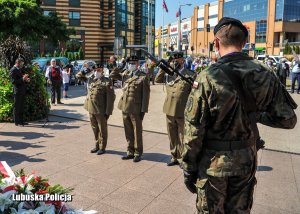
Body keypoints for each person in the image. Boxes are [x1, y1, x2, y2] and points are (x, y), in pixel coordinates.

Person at [181, 17, 297, 213]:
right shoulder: (266, 73)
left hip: (213, 165)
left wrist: (188, 168)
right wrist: (256, 115)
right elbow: (288, 119)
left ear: (216, 42)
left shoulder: (207, 77)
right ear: (244, 43)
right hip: (246, 161)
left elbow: (193, 131)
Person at [155, 51, 196, 166]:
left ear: (183, 60)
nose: (175, 63)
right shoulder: (169, 73)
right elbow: (157, 80)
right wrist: (165, 66)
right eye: (173, 61)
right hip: (169, 110)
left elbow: (195, 94)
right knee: (172, 135)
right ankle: (174, 156)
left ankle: (183, 158)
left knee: (182, 136)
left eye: (177, 61)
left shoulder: (190, 75)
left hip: (182, 111)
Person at [110, 55, 150, 162]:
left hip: (136, 109)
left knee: (137, 131)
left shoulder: (143, 76)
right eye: (130, 63)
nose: (131, 65)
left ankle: (137, 152)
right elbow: (112, 75)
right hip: (125, 107)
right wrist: (121, 65)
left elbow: (146, 96)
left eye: (133, 63)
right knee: (128, 131)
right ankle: (130, 151)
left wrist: (143, 111)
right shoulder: (126, 74)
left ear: (137, 64)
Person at [84, 64, 115, 155]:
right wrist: (87, 70)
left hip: (101, 110)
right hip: (91, 108)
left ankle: (102, 147)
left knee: (102, 129)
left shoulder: (107, 81)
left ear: (102, 71)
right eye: (96, 70)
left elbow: (111, 98)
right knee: (95, 128)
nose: (97, 71)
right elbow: (79, 76)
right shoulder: (91, 79)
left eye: (99, 70)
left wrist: (108, 112)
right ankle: (97, 145)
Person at [9, 58, 30, 126]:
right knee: (17, 107)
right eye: (21, 64)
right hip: (17, 91)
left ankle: (21, 121)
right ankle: (17, 122)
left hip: (22, 91)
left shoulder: (18, 69)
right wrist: (22, 79)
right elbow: (13, 81)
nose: (22, 65)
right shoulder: (13, 70)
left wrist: (25, 80)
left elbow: (20, 80)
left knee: (21, 107)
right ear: (18, 63)